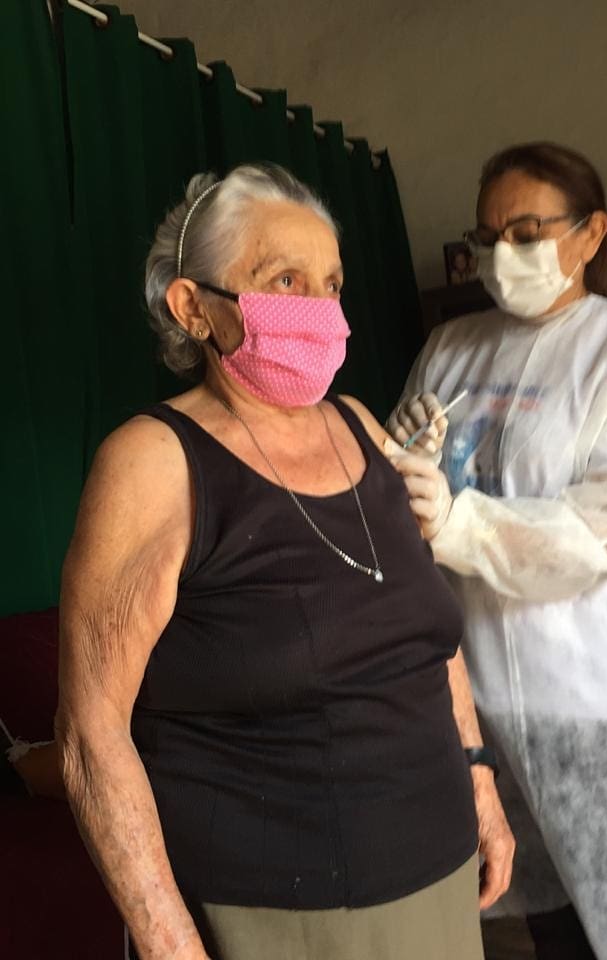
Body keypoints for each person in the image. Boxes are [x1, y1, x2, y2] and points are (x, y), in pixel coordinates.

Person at [55, 164, 514, 960]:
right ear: (193, 308)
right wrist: (171, 945)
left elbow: (425, 631)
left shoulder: (358, 424)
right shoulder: (151, 464)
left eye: (330, 284)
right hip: (274, 911)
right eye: (285, 280)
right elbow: (91, 737)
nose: (320, 309)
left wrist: (478, 774)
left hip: (437, 871)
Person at [387, 142, 607, 960]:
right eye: (487, 238)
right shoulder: (451, 347)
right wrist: (401, 455)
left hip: (594, 692)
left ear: (591, 234)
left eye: (526, 233)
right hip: (473, 688)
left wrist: (455, 522)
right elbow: (399, 497)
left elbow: (603, 533)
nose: (502, 256)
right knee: (529, 905)